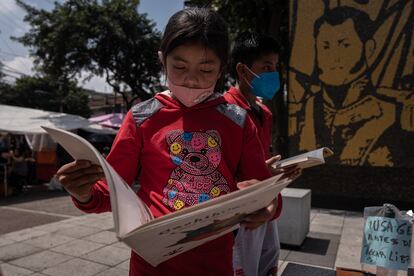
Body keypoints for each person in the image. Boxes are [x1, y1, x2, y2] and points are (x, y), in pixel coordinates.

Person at [56, 7, 283, 275]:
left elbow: (264, 189)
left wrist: (268, 206)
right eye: (179, 66)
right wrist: (83, 192)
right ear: (162, 61)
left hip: (215, 262)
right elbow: (109, 192)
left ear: (222, 68)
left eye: (206, 68)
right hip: (151, 264)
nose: (192, 79)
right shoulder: (142, 117)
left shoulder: (238, 120)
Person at [289, 6, 414, 166]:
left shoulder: (396, 113)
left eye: (344, 45)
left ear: (369, 48)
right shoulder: (305, 112)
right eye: (325, 46)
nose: (334, 57)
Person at [225, 32, 291, 276]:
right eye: (266, 67)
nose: (274, 74)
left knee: (265, 265)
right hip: (243, 216)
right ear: (242, 70)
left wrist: (272, 172)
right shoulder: (225, 113)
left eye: (275, 66)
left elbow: (258, 163)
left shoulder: (264, 113)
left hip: (267, 206)